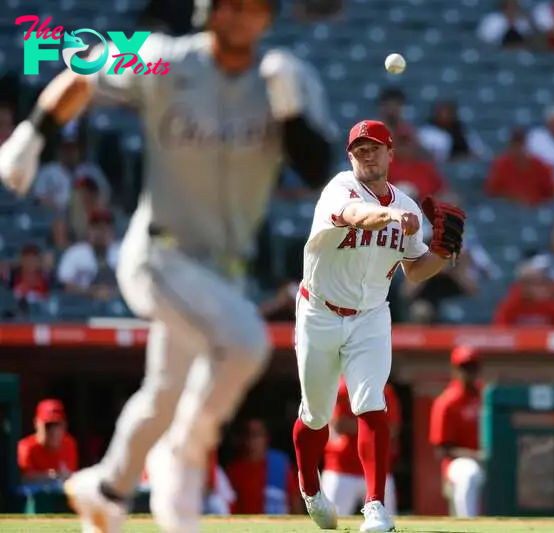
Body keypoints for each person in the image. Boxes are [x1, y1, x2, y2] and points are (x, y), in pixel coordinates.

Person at [0, 1, 334, 532]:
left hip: (222, 272)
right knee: (248, 341)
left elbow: (319, 166)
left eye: (258, 7)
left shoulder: (285, 75)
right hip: (159, 254)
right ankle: (185, 449)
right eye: (235, 4)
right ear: (211, 10)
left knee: (162, 395)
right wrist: (32, 133)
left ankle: (106, 488)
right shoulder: (164, 59)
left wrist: (290, 113)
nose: (246, 16)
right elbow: (82, 69)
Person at [292, 119, 464, 532]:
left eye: (374, 148)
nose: (365, 155)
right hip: (320, 310)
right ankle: (310, 486)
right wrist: (389, 215)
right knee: (316, 415)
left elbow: (415, 271)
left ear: (391, 153)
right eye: (358, 149)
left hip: (370, 314)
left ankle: (374, 506)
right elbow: (356, 215)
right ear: (349, 157)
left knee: (372, 404)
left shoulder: (405, 206)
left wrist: (443, 253)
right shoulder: (340, 189)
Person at [321, 378, 401, 516]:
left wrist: (360, 426)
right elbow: (339, 425)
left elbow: (392, 428)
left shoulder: (385, 390)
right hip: (340, 469)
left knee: (385, 520)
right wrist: (372, 427)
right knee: (330, 520)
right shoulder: (339, 387)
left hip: (378, 469)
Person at [429, 346, 484, 518]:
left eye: (472, 367)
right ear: (455, 370)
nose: (468, 373)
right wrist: (477, 455)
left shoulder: (487, 396)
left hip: (491, 462)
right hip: (459, 463)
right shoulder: (447, 402)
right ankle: (468, 526)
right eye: (464, 368)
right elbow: (442, 450)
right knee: (468, 473)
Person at [17, 399, 79, 484]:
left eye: (57, 425)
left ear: (65, 425)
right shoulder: (26, 447)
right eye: (48, 425)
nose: (53, 431)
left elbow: (71, 478)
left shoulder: (69, 444)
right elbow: (24, 480)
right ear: (36, 424)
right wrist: (51, 476)